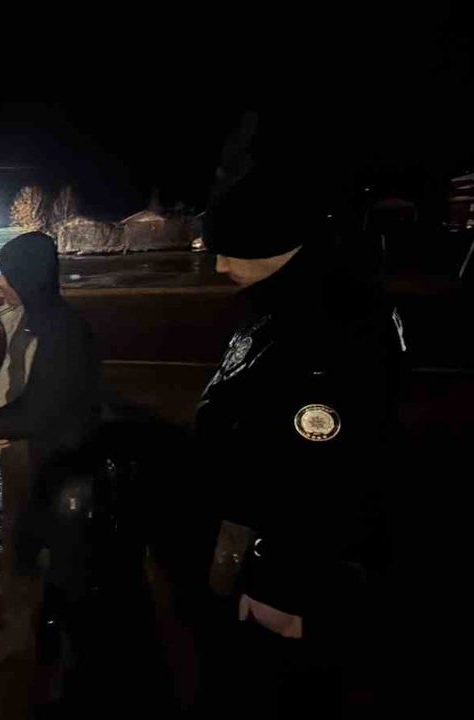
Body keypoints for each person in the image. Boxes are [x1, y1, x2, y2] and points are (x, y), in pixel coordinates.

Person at [193, 113, 403, 715]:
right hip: (251, 546)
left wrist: (279, 589)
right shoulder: (279, 303)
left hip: (286, 579)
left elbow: (322, 477)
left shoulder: (332, 327)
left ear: (281, 240)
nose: (219, 266)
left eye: (233, 248)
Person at [0, 231, 101, 665]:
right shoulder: (19, 318)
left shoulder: (64, 329)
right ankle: (20, 603)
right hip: (19, 449)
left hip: (51, 456)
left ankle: (26, 630)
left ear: (30, 277)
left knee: (37, 542)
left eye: (7, 275)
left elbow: (42, 409)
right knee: (17, 534)